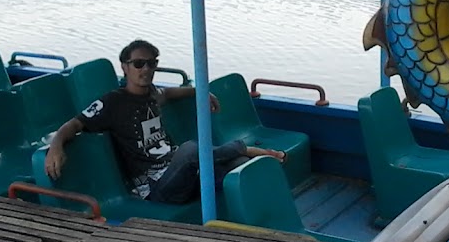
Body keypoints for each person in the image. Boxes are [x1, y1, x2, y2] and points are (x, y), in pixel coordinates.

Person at [44, 39, 285, 204]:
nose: (146, 69)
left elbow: (171, 93)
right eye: (139, 63)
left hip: (185, 175)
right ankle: (249, 148)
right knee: (190, 149)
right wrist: (56, 147)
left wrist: (201, 91)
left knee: (240, 165)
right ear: (125, 67)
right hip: (157, 189)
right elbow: (74, 124)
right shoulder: (113, 103)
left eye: (152, 63)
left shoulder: (154, 94)